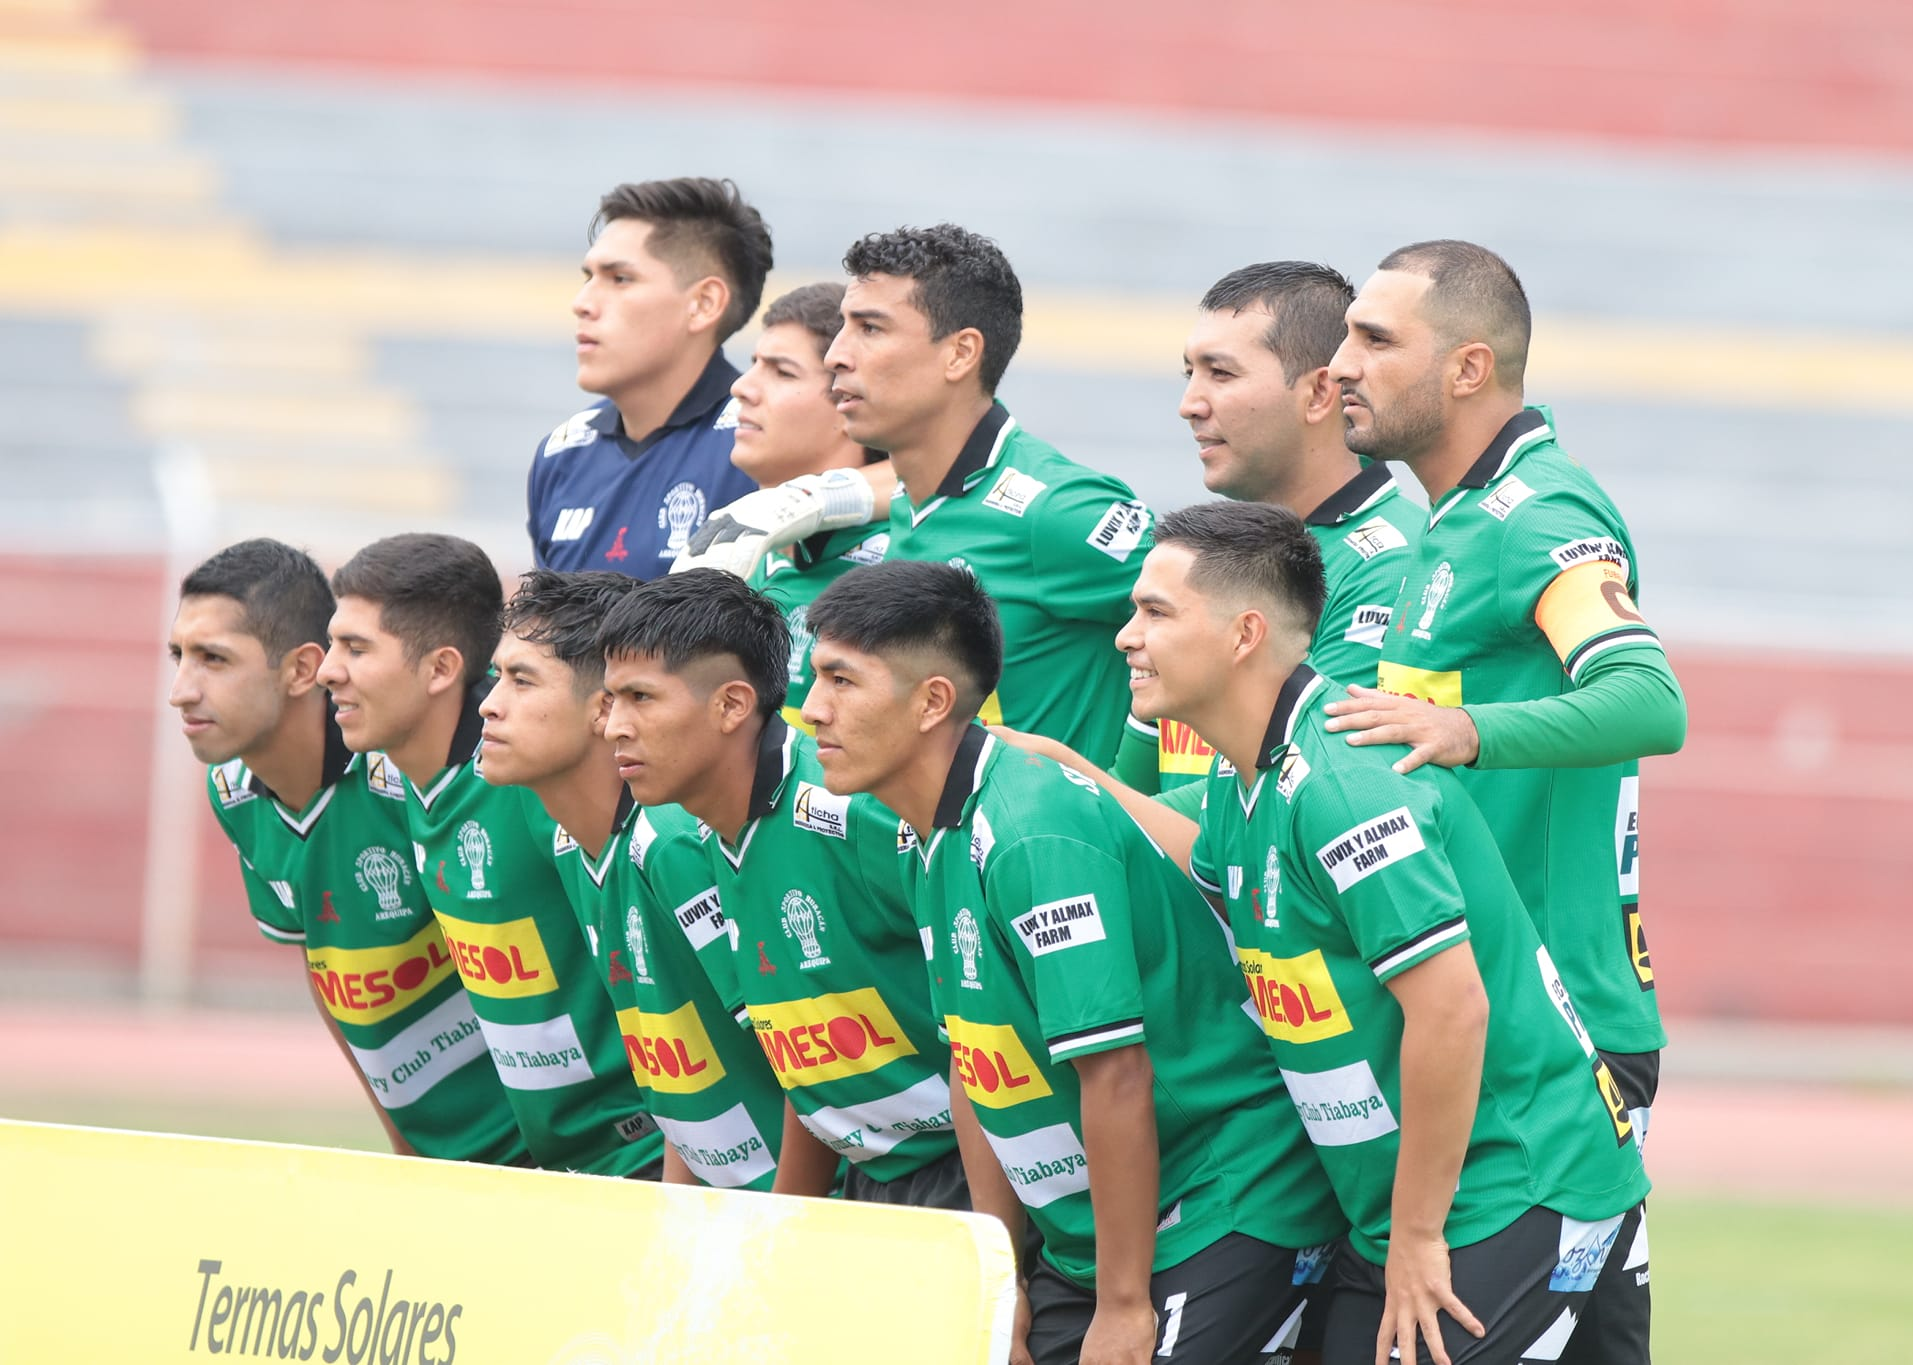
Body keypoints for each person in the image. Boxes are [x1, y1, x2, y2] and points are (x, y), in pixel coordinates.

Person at [1128, 501, 1651, 1365]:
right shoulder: (1240, 777)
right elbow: (1184, 855)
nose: (1127, 637)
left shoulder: (1345, 786)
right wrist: (1054, 776)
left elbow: (1452, 1010)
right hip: (1405, 1213)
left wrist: (1414, 1235)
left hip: (1510, 1188)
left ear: (1244, 633)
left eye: (1154, 612)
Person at [802, 558, 1345, 1365]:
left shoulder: (1030, 830)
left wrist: (1123, 1305)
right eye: (816, 678)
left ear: (933, 701)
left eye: (842, 680)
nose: (813, 710)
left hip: (1222, 1202)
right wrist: (1002, 1276)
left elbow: (1115, 1074)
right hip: (1087, 1239)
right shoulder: (926, 829)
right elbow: (976, 1063)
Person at [1321, 241, 1686, 1146]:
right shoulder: (1453, 519)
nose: (1341, 365)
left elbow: (1649, 698)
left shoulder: (1536, 513)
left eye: (1375, 339)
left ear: (1468, 369)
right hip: (1481, 1014)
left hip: (1556, 1036)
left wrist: (1463, 729)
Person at [597, 571, 962, 1206]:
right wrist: (788, 1221)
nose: (614, 729)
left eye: (641, 698)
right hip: (875, 1177)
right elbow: (808, 1072)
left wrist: (999, 1235)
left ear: (732, 706)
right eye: (611, 701)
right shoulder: (711, 831)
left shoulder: (855, 812)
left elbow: (987, 1022)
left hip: (972, 1169)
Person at [318, 533, 662, 1176]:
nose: (327, 671)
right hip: (557, 1170)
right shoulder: (402, 787)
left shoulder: (535, 782)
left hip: (649, 1160)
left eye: (356, 648)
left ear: (441, 669)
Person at [170, 538, 523, 1165]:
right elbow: (326, 967)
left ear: (301, 670)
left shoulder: (408, 766)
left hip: (545, 1146)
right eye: (179, 656)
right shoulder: (232, 793)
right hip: (437, 1157)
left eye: (213, 659)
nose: (181, 691)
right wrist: (400, 1137)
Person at [475, 569, 787, 1188]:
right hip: (719, 1205)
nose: (489, 703)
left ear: (602, 710)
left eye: (521, 680)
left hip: (806, 1208)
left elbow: (804, 1073)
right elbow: (678, 1083)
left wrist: (792, 1212)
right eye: (496, 677)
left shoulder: (673, 847)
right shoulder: (572, 845)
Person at [824, 223, 1153, 767]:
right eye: (844, 326)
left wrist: (1134, 787)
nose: (836, 354)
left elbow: (1227, 621)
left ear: (960, 354)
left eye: (871, 328)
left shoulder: (1058, 510)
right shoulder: (909, 503)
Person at [1111, 261, 1424, 801]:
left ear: (1320, 393)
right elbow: (1131, 800)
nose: (1189, 405)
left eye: (1221, 374)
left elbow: (1298, 791)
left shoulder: (1393, 567)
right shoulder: (1197, 556)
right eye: (1190, 375)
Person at [526, 177, 771, 577]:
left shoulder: (765, 443)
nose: (582, 303)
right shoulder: (561, 456)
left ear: (704, 304)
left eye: (620, 279)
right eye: (588, 277)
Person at [728, 282, 890, 726]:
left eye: (782, 373)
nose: (742, 387)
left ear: (848, 405)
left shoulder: (901, 561)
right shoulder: (742, 550)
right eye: (753, 365)